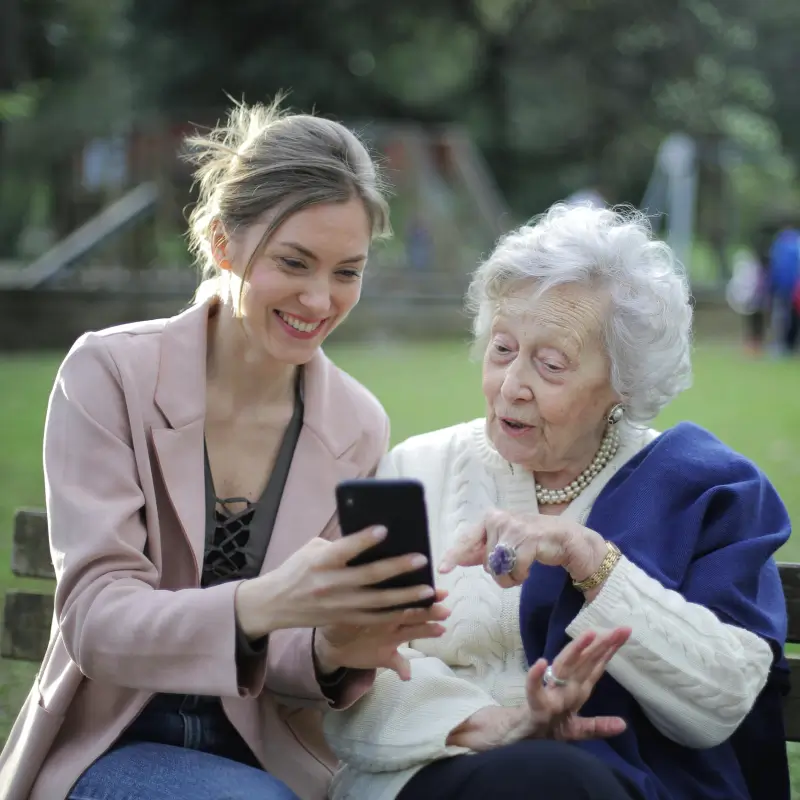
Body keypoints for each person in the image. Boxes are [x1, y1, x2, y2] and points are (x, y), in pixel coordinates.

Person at [0, 99, 453, 800]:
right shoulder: (109, 374)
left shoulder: (357, 422)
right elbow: (95, 619)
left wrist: (335, 650)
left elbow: (291, 657)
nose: (318, 298)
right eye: (294, 262)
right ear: (221, 243)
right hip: (110, 747)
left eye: (347, 271)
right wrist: (259, 603)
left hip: (272, 760)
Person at [324, 204, 791, 800]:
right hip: (431, 774)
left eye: (550, 364)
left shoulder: (707, 490)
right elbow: (354, 666)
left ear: (624, 382)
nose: (511, 384)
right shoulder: (417, 469)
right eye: (501, 349)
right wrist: (492, 724)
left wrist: (592, 560)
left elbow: (724, 699)